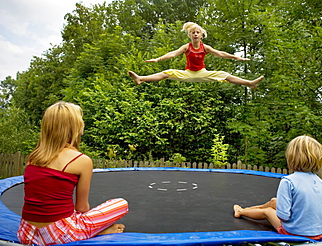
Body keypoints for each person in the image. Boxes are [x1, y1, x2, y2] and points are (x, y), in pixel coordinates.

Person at [17, 101, 129, 246]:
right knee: (121, 204)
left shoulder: (33, 157)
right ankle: (96, 233)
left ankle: (88, 231)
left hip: (27, 233)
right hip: (59, 235)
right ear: (75, 127)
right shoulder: (81, 160)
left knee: (68, 215)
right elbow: (82, 208)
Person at [233, 135, 322, 240]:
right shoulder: (320, 182)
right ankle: (246, 209)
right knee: (273, 201)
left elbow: (284, 216)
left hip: (296, 234)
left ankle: (241, 212)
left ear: (290, 158)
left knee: (267, 211)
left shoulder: (289, 182)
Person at [129, 22, 264, 88]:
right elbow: (173, 54)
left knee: (225, 75)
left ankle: (249, 83)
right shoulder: (186, 47)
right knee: (166, 73)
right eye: (193, 32)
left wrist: (236, 57)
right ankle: (141, 78)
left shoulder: (205, 47)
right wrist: (158, 59)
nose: (195, 34)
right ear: (189, 35)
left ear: (201, 35)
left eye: (197, 32)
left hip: (202, 73)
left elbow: (220, 54)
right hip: (188, 73)